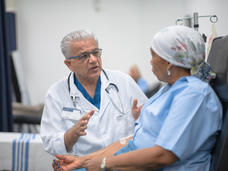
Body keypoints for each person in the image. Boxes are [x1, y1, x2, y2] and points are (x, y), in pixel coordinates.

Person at [53, 25, 222, 171]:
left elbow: (163, 155)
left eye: (153, 55)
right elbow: (132, 139)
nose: (150, 62)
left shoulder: (194, 95)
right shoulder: (171, 88)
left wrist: (104, 163)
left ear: (170, 61)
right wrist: (84, 160)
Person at [40, 30, 148, 158]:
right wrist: (72, 134)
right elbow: (49, 143)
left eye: (96, 53)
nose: (93, 60)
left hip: (123, 162)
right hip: (83, 165)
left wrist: (138, 120)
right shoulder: (56, 93)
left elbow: (149, 122)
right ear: (69, 64)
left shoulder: (123, 81)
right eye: (84, 56)